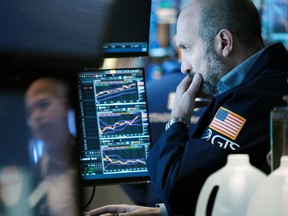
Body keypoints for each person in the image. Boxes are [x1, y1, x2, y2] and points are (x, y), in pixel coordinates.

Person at [89, 0, 288, 215]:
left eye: (187, 48)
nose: (184, 67)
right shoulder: (263, 83)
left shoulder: (253, 100)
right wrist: (159, 213)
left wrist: (178, 119)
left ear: (224, 43)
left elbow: (180, 190)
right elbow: (224, 196)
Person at [25, 77, 80, 216]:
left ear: (65, 108)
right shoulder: (31, 176)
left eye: (43, 105)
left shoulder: (91, 160)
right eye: (30, 112)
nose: (36, 117)